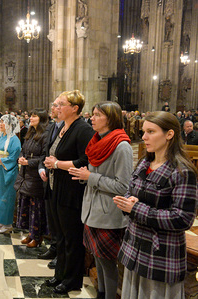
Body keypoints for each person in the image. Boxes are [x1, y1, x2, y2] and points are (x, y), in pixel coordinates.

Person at [113, 111, 198, 299]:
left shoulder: (182, 171)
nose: (144, 137)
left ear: (169, 134)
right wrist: (130, 200)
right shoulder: (145, 162)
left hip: (160, 254)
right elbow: (132, 190)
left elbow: (183, 218)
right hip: (134, 247)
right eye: (144, 131)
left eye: (151, 131)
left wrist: (136, 208)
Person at [68, 101, 132, 299]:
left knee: (107, 262)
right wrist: (84, 176)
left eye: (97, 115)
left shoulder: (121, 146)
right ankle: (101, 293)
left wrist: (90, 178)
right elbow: (94, 176)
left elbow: (123, 186)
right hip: (92, 209)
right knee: (97, 258)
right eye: (93, 114)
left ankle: (109, 296)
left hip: (108, 213)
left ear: (110, 118)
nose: (92, 118)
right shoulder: (97, 141)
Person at [43, 90, 94, 294]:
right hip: (57, 189)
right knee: (61, 237)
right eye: (56, 104)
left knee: (72, 238)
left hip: (71, 191)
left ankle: (72, 280)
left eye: (61, 104)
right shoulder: (64, 127)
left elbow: (85, 161)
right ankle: (60, 275)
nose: (56, 108)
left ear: (75, 108)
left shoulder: (82, 129)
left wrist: (57, 164)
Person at [15, 109, 48, 248]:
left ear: (41, 118)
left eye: (34, 116)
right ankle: (30, 234)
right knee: (27, 207)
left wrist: (29, 162)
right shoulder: (30, 132)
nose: (31, 118)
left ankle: (37, 236)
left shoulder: (45, 135)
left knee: (36, 209)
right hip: (25, 175)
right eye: (32, 115)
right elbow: (24, 149)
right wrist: (22, 157)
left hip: (35, 177)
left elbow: (44, 157)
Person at [38, 97, 64, 265]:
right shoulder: (52, 127)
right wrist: (42, 168)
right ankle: (54, 247)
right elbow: (45, 153)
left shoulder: (73, 129)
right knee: (52, 218)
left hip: (62, 180)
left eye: (56, 105)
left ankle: (60, 253)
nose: (53, 108)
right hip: (49, 179)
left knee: (61, 222)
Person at [0, 114, 21, 233]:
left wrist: (0, 160)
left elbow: (13, 157)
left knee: (6, 197)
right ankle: (0, 222)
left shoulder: (14, 140)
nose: (1, 124)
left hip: (7, 172)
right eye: (0, 122)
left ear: (10, 125)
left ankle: (7, 224)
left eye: (4, 122)